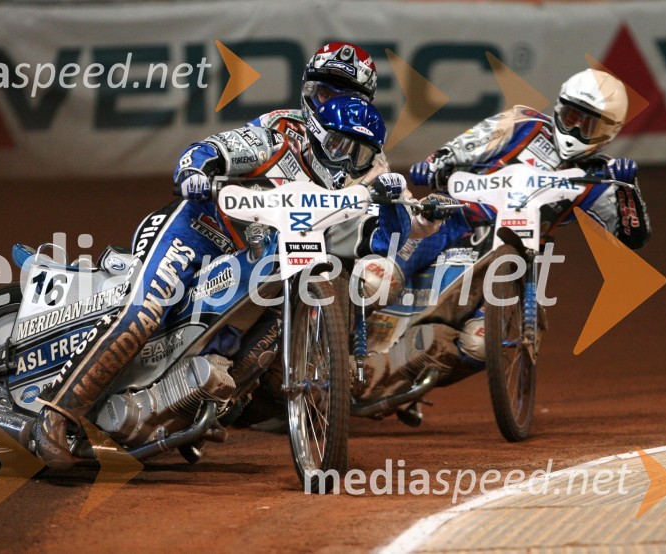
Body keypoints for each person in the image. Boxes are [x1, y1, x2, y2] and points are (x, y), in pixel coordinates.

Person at [31, 44, 412, 467]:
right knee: (144, 310)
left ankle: (189, 409)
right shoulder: (280, 132)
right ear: (308, 92)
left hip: (269, 256)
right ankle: (56, 412)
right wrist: (195, 172)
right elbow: (210, 149)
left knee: (264, 346)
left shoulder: (371, 160)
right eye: (324, 92)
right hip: (200, 227)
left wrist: (396, 204)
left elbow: (385, 237)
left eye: (347, 95)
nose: (333, 103)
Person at [358, 68, 652, 419]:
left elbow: (632, 236)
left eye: (589, 126)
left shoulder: (601, 177)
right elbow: (465, 146)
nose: (575, 130)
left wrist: (627, 191)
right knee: (378, 278)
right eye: (572, 116)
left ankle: (402, 380)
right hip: (454, 219)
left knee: (479, 345)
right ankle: (326, 340)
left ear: (609, 133)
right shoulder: (522, 122)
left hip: (516, 253)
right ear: (559, 108)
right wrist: (437, 163)